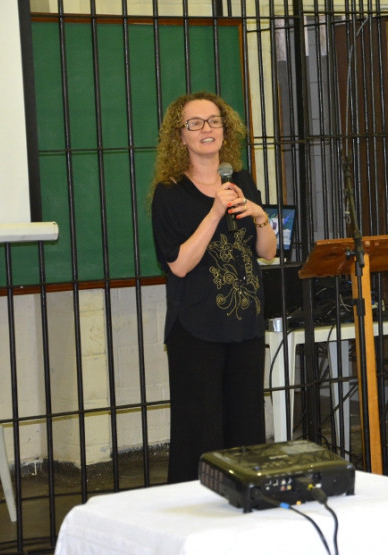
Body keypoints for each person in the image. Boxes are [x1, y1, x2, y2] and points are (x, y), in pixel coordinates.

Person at [149, 91, 277, 482]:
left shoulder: (240, 180)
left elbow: (268, 252)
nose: (207, 129)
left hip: (245, 326)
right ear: (180, 136)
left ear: (226, 129)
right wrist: (216, 210)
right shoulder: (169, 194)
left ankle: (244, 510)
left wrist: (258, 216)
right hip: (197, 330)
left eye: (214, 121)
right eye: (195, 123)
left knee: (246, 432)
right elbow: (180, 264)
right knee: (200, 436)